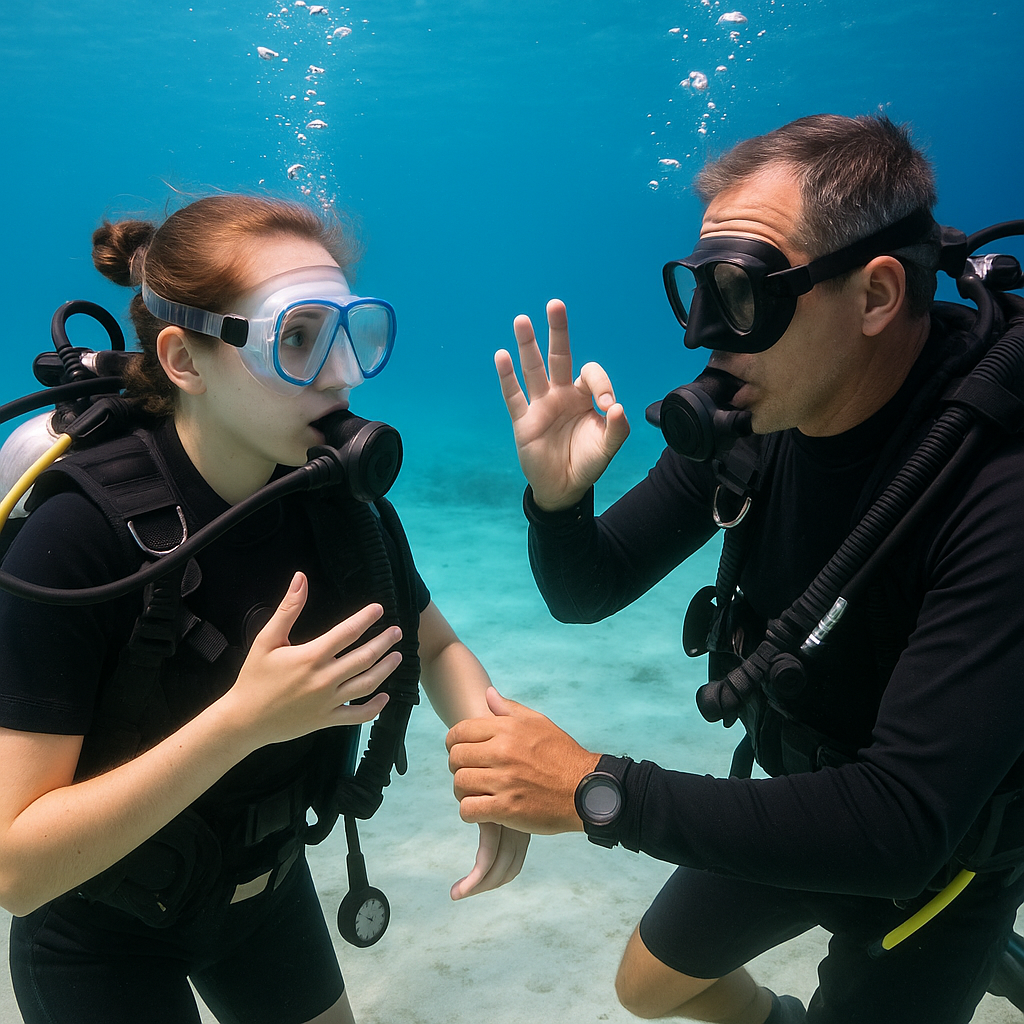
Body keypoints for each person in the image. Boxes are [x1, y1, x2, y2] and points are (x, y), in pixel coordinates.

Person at [446, 113, 1024, 1023]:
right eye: (696, 291)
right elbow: (589, 588)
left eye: (742, 292)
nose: (703, 336)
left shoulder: (998, 483)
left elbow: (905, 822)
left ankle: (986, 941)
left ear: (875, 296)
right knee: (646, 990)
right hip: (801, 803)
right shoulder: (761, 411)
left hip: (935, 857)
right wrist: (560, 503)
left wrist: (595, 790)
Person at [0, 194, 529, 1024]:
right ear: (183, 358)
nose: (342, 373)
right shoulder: (77, 539)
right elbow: (18, 868)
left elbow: (436, 647)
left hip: (266, 893)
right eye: (297, 338)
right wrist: (243, 722)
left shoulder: (336, 505)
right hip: (100, 931)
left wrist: (497, 770)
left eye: (355, 335)